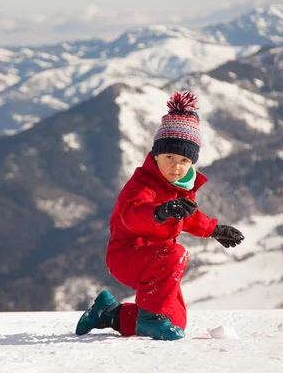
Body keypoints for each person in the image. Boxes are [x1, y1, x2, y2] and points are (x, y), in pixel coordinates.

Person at [75, 91, 245, 341]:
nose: (176, 166)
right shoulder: (141, 185)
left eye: (184, 159)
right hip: (127, 254)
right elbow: (132, 214)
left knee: (176, 321)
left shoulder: (181, 188)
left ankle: (108, 314)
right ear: (156, 155)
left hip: (157, 260)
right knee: (176, 254)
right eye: (170, 157)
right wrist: (160, 211)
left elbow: (187, 217)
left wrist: (214, 229)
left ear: (192, 163)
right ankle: (149, 320)